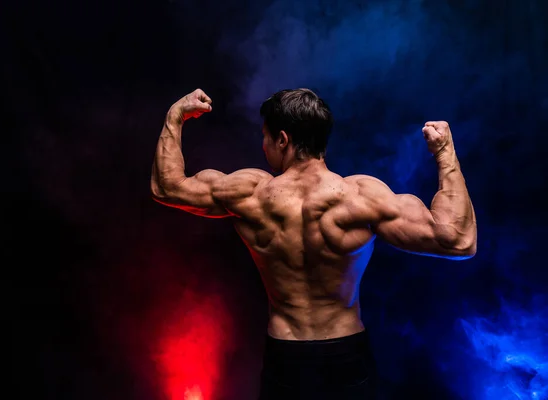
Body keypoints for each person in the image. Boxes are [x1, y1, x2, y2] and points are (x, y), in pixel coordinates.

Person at [151, 88, 477, 399]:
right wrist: (444, 153)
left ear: (283, 139)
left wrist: (175, 116)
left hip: (286, 355)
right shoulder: (361, 196)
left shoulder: (250, 194)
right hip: (346, 355)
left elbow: (167, 187)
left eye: (266, 137)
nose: (264, 147)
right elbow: (458, 239)